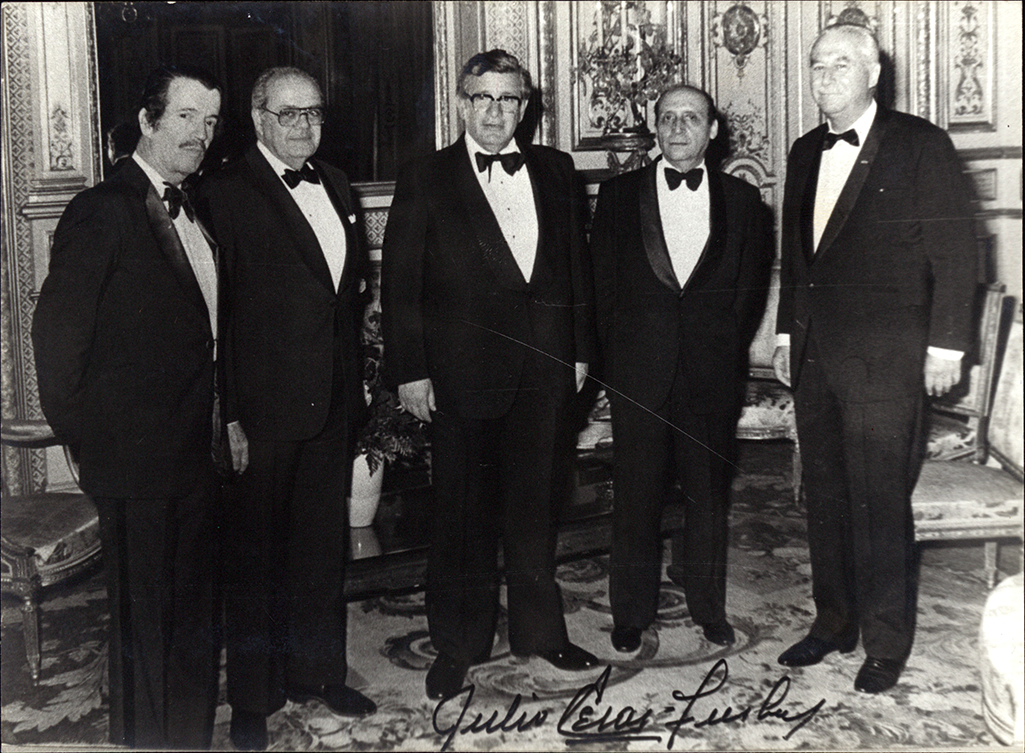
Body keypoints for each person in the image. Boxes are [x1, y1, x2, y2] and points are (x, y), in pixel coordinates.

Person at [381, 49, 598, 701]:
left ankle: (541, 631)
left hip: (545, 372)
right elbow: (401, 286)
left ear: (525, 107)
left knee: (536, 511)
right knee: (463, 517)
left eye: (509, 99)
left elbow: (575, 271)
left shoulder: (556, 170)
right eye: (483, 98)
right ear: (460, 102)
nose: (496, 112)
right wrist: (411, 372)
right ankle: (458, 642)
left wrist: (581, 349)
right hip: (460, 375)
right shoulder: (426, 176)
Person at [773, 24, 977, 693]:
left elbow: (954, 253)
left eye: (839, 64)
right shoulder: (804, 151)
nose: (824, 75)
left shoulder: (920, 144)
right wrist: (783, 335)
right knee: (824, 498)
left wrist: (946, 344)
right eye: (815, 64)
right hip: (814, 358)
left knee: (879, 501)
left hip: (888, 360)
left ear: (871, 72)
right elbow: (796, 259)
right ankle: (832, 621)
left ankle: (885, 641)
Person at [31, 64, 223, 749]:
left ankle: (189, 737)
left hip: (194, 450)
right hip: (134, 457)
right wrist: (89, 444)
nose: (200, 133)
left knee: (192, 613)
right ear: (145, 121)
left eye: (210, 121)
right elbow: (56, 340)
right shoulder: (102, 208)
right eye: (185, 117)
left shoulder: (191, 204)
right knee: (144, 625)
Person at [197, 66, 376, 750]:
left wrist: (353, 384)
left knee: (317, 551)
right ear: (259, 119)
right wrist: (230, 415)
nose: (305, 126)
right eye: (290, 114)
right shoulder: (224, 193)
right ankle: (251, 698)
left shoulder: (334, 182)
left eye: (314, 114)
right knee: (255, 559)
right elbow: (217, 317)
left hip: (329, 402)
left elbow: (344, 301)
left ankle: (317, 672)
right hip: (262, 413)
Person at [590, 85, 772, 655]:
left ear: (712, 130)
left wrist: (716, 349)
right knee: (636, 496)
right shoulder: (619, 197)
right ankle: (630, 612)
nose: (677, 128)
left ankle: (707, 606)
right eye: (667, 118)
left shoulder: (745, 204)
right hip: (638, 372)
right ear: (655, 127)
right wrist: (613, 366)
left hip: (710, 373)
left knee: (706, 495)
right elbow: (602, 290)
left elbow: (747, 295)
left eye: (691, 118)